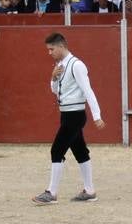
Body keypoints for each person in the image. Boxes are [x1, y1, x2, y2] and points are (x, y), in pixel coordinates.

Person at [31, 33, 106, 205]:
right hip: (68, 114)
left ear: (62, 46)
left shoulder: (77, 65)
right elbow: (55, 91)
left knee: (57, 150)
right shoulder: (60, 65)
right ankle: (89, 190)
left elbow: (88, 91)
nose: (49, 52)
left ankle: (52, 192)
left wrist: (97, 115)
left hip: (75, 114)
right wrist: (53, 78)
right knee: (80, 151)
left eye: (52, 49)